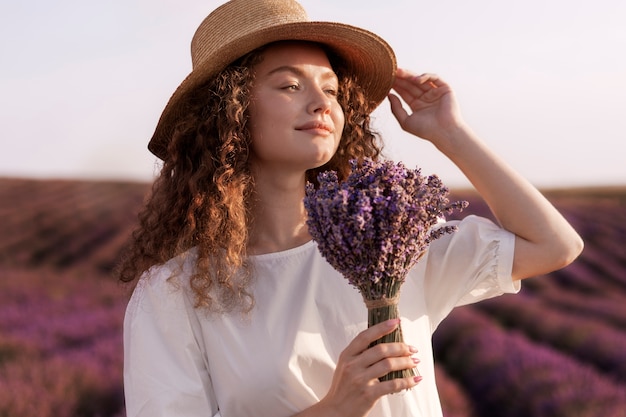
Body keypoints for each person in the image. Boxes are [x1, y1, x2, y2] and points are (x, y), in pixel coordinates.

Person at [119, 0, 583, 416]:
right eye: (288, 86)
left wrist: (449, 133)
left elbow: (554, 246)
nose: (321, 103)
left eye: (332, 90)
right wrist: (336, 408)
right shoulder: (176, 292)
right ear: (231, 112)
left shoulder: (388, 242)